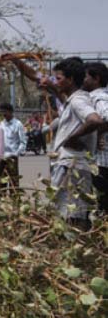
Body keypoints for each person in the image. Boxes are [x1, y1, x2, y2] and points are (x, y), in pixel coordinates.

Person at [44, 59, 104, 228]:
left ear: (70, 80)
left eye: (59, 78)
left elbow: (95, 120)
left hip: (72, 166)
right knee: (67, 214)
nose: (56, 82)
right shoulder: (74, 99)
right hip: (71, 164)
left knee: (72, 216)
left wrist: (73, 137)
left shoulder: (78, 101)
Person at [83, 62, 108, 212]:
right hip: (100, 161)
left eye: (85, 77)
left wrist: (96, 134)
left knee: (102, 204)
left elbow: (106, 116)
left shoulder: (98, 97)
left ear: (96, 78)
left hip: (101, 161)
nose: (83, 80)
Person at [0, 102, 27, 188]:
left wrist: (16, 154)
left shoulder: (18, 124)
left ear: (10, 112)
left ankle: (15, 199)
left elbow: (23, 142)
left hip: (12, 158)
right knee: (1, 182)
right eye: (2, 112)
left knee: (13, 182)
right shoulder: (1, 125)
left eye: (5, 112)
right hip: (2, 157)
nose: (3, 114)